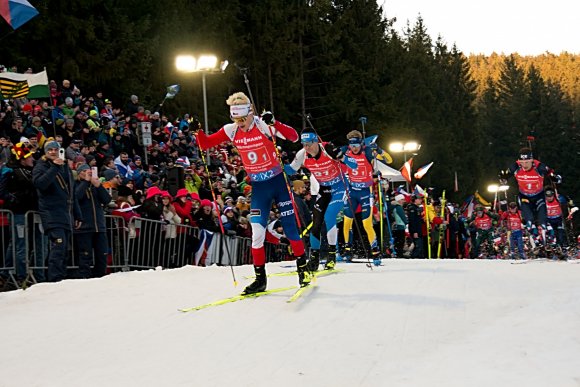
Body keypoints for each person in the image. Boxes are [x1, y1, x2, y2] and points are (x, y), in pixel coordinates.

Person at [195, 92, 308, 294]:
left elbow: (294, 137)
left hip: (278, 182)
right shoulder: (231, 130)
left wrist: (275, 123)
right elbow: (205, 144)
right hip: (259, 187)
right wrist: (197, 131)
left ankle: (303, 269)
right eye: (235, 119)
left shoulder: (262, 124)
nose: (240, 124)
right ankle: (260, 279)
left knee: (291, 229)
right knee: (257, 233)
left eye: (243, 119)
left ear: (250, 113)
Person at [285, 127, 357, 271]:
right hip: (324, 190)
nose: (307, 147)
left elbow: (354, 165)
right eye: (304, 144)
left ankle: (331, 255)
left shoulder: (328, 149)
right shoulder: (302, 154)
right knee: (316, 222)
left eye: (309, 143)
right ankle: (314, 258)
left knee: (329, 216)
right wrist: (278, 162)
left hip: (339, 187)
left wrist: (341, 157)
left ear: (316, 141)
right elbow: (291, 170)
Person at [32, 140, 82, 282]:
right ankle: (54, 280)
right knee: (58, 247)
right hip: (51, 213)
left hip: (66, 214)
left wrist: (77, 214)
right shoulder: (40, 165)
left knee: (65, 250)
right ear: (45, 152)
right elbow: (40, 184)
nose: (53, 152)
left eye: (56, 149)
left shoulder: (65, 167)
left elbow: (71, 193)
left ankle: (61, 280)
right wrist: (54, 167)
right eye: (50, 150)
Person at [0, 142, 45, 287]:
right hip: (18, 212)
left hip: (32, 211)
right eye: (29, 156)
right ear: (22, 158)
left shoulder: (32, 170)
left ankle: (15, 274)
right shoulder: (9, 170)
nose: (32, 158)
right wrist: (14, 199)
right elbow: (2, 191)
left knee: (27, 244)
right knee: (19, 244)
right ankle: (19, 276)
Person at [341, 130, 387, 264]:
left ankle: (375, 252)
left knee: (366, 223)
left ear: (361, 144)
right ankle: (348, 251)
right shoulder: (345, 151)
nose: (354, 148)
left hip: (366, 193)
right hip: (352, 192)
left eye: (356, 144)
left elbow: (389, 159)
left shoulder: (367, 152)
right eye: (351, 145)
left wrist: (379, 150)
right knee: (346, 223)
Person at [499, 147, 559, 245]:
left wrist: (555, 178)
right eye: (522, 162)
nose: (525, 165)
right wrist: (503, 177)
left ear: (532, 160)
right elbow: (505, 174)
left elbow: (551, 173)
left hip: (538, 196)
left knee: (542, 219)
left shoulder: (539, 167)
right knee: (529, 220)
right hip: (524, 197)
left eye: (527, 162)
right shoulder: (515, 167)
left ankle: (550, 239)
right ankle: (535, 240)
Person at [74, 163, 111, 278]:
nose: (87, 174)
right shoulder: (76, 185)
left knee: (102, 255)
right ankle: (84, 277)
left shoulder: (95, 186)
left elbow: (107, 200)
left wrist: (98, 186)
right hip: (84, 227)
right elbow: (76, 197)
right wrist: (85, 182)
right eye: (84, 172)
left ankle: (100, 277)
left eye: (89, 172)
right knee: (85, 256)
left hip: (99, 226)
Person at [407, 193, 424, 258]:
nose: (420, 200)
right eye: (419, 199)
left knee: (420, 246)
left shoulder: (417, 208)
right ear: (415, 200)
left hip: (418, 229)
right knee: (418, 246)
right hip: (415, 230)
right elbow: (413, 221)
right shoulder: (412, 208)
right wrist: (414, 231)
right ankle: (413, 257)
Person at [391, 193, 408, 258]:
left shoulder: (395, 206)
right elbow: (402, 217)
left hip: (397, 226)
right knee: (400, 241)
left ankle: (397, 252)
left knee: (397, 241)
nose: (404, 201)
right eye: (402, 199)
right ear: (399, 200)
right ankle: (399, 254)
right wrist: (406, 222)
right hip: (400, 226)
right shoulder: (398, 207)